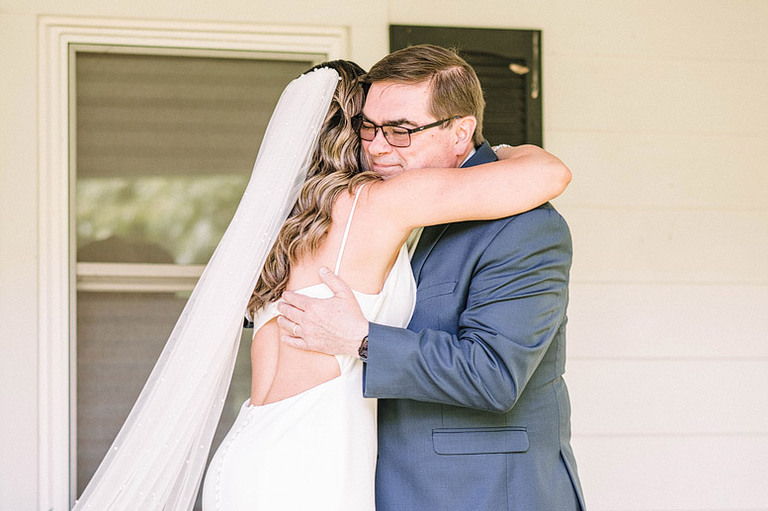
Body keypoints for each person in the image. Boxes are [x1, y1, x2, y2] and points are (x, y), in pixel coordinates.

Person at [201, 56, 571, 510]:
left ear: (461, 131)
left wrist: (361, 339)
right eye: (367, 128)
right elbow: (551, 172)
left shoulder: (298, 226)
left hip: (260, 457)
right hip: (313, 470)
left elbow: (493, 375)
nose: (378, 147)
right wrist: (523, 151)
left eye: (400, 130)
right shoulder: (379, 203)